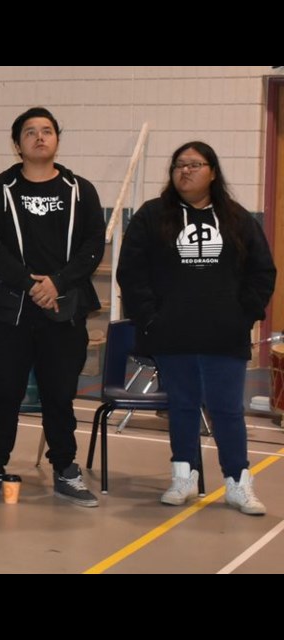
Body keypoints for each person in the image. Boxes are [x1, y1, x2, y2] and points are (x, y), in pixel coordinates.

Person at [117, 141, 276, 515]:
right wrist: (151, 318)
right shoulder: (152, 216)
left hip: (225, 335)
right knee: (183, 406)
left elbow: (263, 272)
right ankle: (184, 477)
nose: (185, 171)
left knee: (227, 411)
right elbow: (131, 272)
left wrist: (243, 315)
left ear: (213, 172)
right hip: (173, 335)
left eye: (194, 164)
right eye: (178, 165)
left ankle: (238, 484)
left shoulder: (237, 219)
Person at [0, 107, 105, 507]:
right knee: (5, 393)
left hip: (63, 310)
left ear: (57, 139)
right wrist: (29, 283)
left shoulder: (81, 190)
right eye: (30, 132)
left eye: (47, 131)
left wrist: (57, 283)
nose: (40, 137)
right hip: (10, 312)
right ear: (17, 144)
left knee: (60, 395)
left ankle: (65, 468)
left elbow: (93, 245)